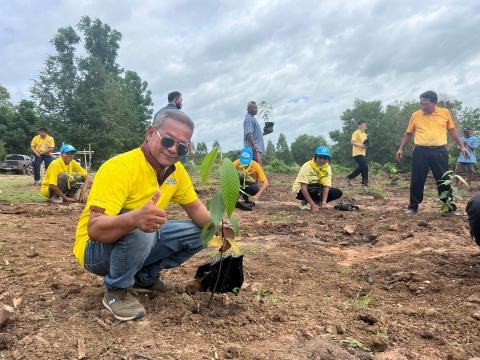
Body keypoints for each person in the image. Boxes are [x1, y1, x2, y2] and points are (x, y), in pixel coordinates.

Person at [73, 110, 221, 322]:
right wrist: (135, 218)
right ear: (151, 133)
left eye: (181, 147)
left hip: (141, 238)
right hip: (94, 251)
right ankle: (117, 291)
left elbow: (196, 208)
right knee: (142, 228)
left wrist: (219, 227)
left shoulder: (176, 172)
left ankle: (144, 279)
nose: (172, 150)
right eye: (168, 141)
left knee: (202, 232)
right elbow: (95, 229)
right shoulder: (120, 167)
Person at [395, 90, 469, 214]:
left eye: (425, 104)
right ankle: (413, 206)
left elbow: (452, 130)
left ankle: (448, 206)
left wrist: (461, 146)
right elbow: (408, 133)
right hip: (420, 151)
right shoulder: (416, 115)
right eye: (420, 104)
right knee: (417, 179)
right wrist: (401, 148)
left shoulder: (444, 113)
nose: (422, 106)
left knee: (443, 178)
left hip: (439, 151)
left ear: (433, 103)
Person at [292, 146, 343, 212]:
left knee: (337, 192)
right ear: (316, 156)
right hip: (302, 190)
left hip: (317, 189)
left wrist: (323, 203)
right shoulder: (307, 166)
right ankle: (304, 203)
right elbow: (303, 187)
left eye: (325, 158)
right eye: (320, 157)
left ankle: (318, 203)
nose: (322, 160)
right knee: (315, 187)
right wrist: (312, 205)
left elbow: (326, 187)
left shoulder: (327, 167)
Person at [346, 120, 368, 186]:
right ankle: (365, 184)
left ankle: (349, 177)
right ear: (359, 126)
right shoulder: (356, 133)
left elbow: (365, 144)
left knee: (362, 167)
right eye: (363, 125)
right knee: (365, 167)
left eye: (365, 125)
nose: (364, 126)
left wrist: (366, 146)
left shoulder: (364, 134)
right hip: (357, 153)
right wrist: (361, 145)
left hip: (363, 153)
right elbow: (353, 142)